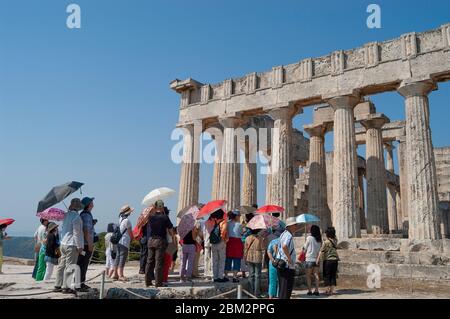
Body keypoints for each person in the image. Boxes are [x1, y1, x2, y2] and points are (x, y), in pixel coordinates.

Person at [54, 198, 84, 294]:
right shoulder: (77, 217)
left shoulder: (65, 215)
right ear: (78, 207)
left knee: (61, 265)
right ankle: (66, 287)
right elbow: (77, 233)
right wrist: (80, 246)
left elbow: (63, 229)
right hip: (71, 244)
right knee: (70, 266)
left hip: (63, 243)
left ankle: (57, 285)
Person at [145, 200, 175, 288]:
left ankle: (148, 281)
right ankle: (158, 283)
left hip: (150, 240)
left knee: (149, 262)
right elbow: (170, 229)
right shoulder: (165, 217)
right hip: (160, 240)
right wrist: (173, 236)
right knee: (159, 262)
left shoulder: (150, 217)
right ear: (162, 207)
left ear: (155, 207)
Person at [276, 217, 300, 299]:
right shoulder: (288, 235)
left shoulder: (283, 234)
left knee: (282, 289)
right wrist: (289, 258)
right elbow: (284, 246)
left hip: (281, 264)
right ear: (290, 226)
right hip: (287, 266)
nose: (297, 226)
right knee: (286, 290)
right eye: (295, 225)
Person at [77, 197, 95, 291]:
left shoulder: (84, 214)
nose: (93, 203)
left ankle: (80, 283)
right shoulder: (87, 216)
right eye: (91, 201)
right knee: (83, 264)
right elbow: (86, 230)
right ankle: (80, 285)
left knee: (81, 264)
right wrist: (90, 244)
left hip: (83, 243)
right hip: (86, 244)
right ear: (89, 204)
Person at [113, 205, 134, 281]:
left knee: (117, 258)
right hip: (124, 241)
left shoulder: (120, 219)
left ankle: (115, 274)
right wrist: (132, 239)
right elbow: (130, 233)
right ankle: (120, 275)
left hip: (118, 241)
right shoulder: (127, 221)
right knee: (122, 258)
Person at [207, 209, 228, 283]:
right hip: (221, 242)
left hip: (213, 243)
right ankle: (220, 277)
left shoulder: (213, 222)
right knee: (221, 260)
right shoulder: (223, 222)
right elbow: (223, 232)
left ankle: (215, 277)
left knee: (214, 260)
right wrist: (223, 240)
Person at [317, 227, 339, 296]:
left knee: (327, 275)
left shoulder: (325, 242)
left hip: (328, 261)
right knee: (333, 275)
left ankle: (327, 290)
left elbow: (321, 251)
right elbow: (334, 238)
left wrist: (317, 260)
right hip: (335, 260)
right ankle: (332, 291)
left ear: (327, 234)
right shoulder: (335, 241)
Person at [303, 224, 322, 296]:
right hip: (316, 259)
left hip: (309, 259)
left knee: (308, 276)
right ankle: (317, 290)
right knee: (316, 275)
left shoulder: (309, 238)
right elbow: (320, 250)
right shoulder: (319, 240)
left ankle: (309, 290)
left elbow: (304, 248)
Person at [225, 211, 243, 283]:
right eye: (239, 216)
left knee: (228, 259)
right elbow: (241, 233)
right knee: (237, 259)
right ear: (236, 216)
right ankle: (235, 276)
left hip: (229, 242)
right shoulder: (239, 224)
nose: (239, 217)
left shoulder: (227, 223)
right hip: (237, 242)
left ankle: (226, 276)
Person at [267, 228, 283, 299]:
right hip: (281, 262)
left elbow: (269, 251)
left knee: (272, 280)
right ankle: (278, 295)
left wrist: (273, 260)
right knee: (280, 280)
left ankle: (270, 296)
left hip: (272, 263)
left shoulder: (273, 241)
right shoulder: (284, 242)